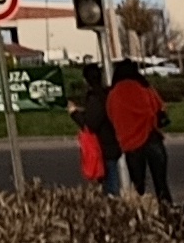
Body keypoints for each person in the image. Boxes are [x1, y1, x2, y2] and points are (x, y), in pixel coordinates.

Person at [105, 59, 171, 206]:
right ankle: (168, 214)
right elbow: (159, 108)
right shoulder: (144, 87)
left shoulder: (114, 94)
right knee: (161, 185)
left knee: (138, 187)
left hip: (131, 145)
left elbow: (111, 116)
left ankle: (142, 215)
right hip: (152, 138)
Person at [68, 62, 118, 191]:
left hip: (103, 146)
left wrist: (74, 113)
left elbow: (90, 124)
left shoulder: (95, 98)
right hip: (112, 143)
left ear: (86, 80)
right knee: (110, 180)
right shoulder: (107, 94)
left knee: (110, 185)